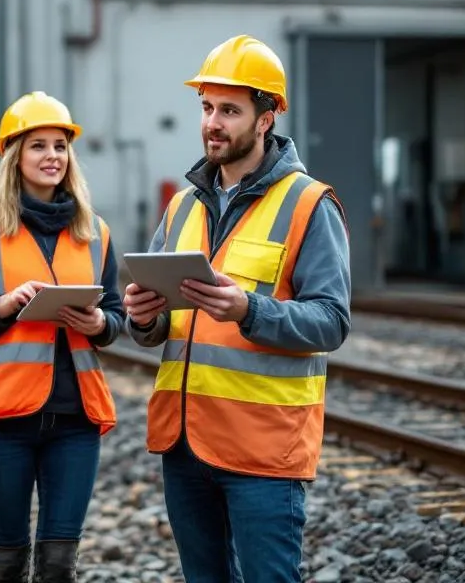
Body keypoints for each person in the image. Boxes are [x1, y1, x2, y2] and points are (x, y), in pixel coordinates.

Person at [123, 35, 351, 583]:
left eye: (229, 110)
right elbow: (156, 331)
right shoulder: (182, 206)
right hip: (183, 444)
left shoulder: (308, 205)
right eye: (206, 108)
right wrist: (144, 315)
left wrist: (248, 309)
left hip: (262, 452)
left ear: (266, 117)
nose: (213, 123)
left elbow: (332, 321)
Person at [0, 91, 123, 583]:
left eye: (60, 146)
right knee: (7, 559)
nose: (52, 157)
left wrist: (100, 325)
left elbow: (117, 315)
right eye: (38, 145)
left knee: (60, 564)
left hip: (74, 420)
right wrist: (4, 305)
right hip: (2, 420)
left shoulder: (95, 231)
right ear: (14, 156)